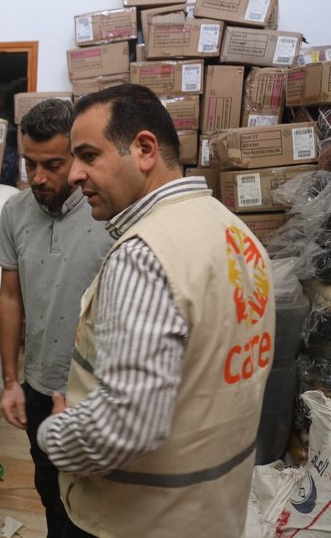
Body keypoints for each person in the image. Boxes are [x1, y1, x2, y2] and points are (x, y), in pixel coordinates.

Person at [37, 84, 275, 538]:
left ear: (144, 149)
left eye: (88, 156)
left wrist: (54, 434)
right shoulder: (235, 233)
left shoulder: (145, 255)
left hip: (133, 520)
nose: (74, 175)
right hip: (211, 512)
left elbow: (127, 427)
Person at [0, 98, 112, 537]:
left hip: (96, 391)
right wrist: (10, 380)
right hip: (41, 383)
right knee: (50, 491)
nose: (39, 177)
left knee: (98, 503)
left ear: (78, 156)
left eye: (53, 164)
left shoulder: (108, 213)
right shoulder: (16, 212)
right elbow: (9, 297)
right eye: (29, 163)